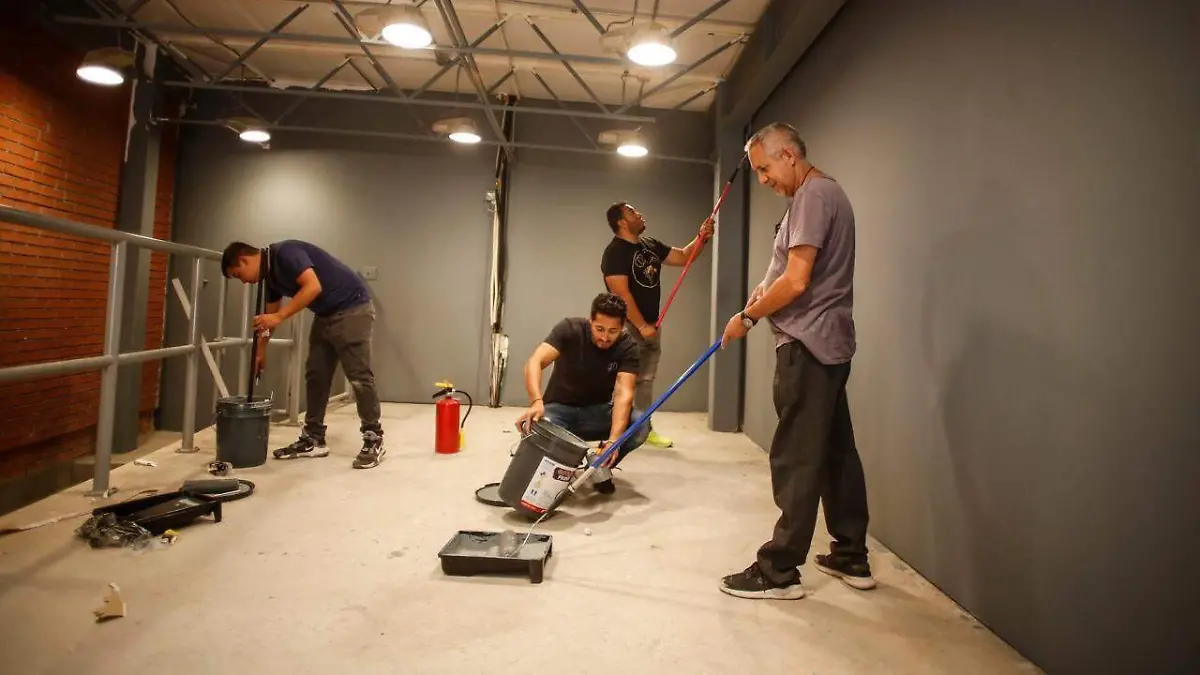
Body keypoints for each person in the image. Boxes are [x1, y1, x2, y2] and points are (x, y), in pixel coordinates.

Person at [717, 122, 874, 600]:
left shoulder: (812, 196)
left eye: (764, 168)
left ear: (788, 154)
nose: (763, 179)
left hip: (806, 345)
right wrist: (766, 288)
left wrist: (747, 316)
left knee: (796, 457)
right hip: (828, 344)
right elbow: (791, 272)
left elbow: (798, 280)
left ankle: (778, 569)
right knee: (835, 452)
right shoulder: (824, 195)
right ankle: (850, 555)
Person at [221, 240, 385, 470]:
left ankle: (373, 437)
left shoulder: (286, 253)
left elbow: (312, 286)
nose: (244, 281)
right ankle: (314, 438)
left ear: (243, 259)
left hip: (352, 308)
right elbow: (270, 316)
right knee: (316, 375)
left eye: (239, 275)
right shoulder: (270, 278)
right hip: (325, 315)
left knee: (358, 376)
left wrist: (279, 317)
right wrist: (260, 351)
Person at [600, 203, 714, 449]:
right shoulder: (614, 253)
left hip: (651, 326)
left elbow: (684, 256)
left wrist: (701, 237)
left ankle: (642, 428)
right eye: (632, 212)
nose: (639, 214)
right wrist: (641, 326)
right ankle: (616, 429)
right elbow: (621, 294)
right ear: (621, 222)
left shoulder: (649, 245)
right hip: (628, 327)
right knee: (625, 379)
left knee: (645, 380)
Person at [514, 292, 650, 494]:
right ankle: (557, 474)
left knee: (640, 424)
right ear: (590, 321)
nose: (605, 337)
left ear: (622, 327)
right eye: (599, 329)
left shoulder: (627, 346)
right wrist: (536, 401)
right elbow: (535, 361)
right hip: (558, 412)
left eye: (613, 331)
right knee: (541, 425)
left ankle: (598, 469)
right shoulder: (569, 329)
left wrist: (613, 441)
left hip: (597, 413)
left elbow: (624, 394)